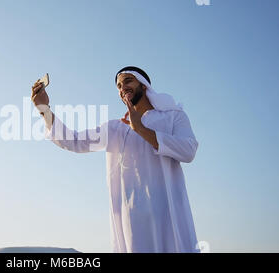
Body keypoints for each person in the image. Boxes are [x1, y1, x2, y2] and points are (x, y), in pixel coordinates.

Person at [31, 66, 199, 253]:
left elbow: (189, 150)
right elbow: (73, 141)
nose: (122, 88)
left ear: (144, 86)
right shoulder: (115, 129)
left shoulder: (173, 116)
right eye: (119, 85)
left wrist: (141, 129)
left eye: (128, 81)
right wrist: (44, 109)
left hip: (168, 217)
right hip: (132, 224)